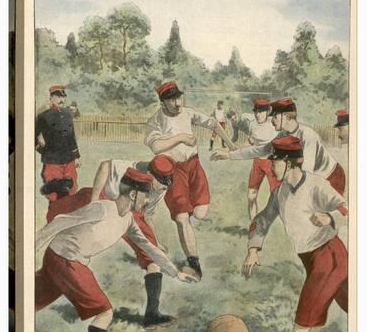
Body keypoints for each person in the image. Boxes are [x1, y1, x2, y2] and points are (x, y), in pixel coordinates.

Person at [35, 168, 197, 332]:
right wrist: (30, 247)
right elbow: (62, 220)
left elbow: (148, 248)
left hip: (62, 259)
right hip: (66, 261)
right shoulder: (103, 208)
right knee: (105, 312)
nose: (149, 200)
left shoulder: (128, 220)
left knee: (29, 300)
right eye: (146, 195)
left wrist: (175, 272)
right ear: (133, 195)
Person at [242, 135, 348, 332]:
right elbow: (262, 220)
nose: (270, 165)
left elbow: (350, 209)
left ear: (289, 163)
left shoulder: (316, 185)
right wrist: (254, 249)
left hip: (330, 258)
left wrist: (331, 218)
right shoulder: (280, 193)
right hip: (312, 260)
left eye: (274, 160)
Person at [145, 81, 237, 279]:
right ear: (163, 102)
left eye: (178, 97)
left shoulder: (187, 113)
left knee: (201, 213)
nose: (177, 103)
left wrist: (230, 144)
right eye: (171, 99)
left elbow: (212, 123)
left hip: (194, 167)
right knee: (182, 218)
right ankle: (194, 263)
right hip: (174, 170)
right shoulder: (156, 120)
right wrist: (180, 138)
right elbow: (156, 147)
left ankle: (188, 217)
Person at [211, 97, 346, 196]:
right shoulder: (283, 134)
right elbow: (263, 149)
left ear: (285, 117)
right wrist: (229, 155)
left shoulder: (307, 135)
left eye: (275, 116)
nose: (272, 120)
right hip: (313, 180)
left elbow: (307, 172)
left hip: (330, 178)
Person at [228, 98, 279, 219]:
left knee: (277, 196)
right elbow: (251, 141)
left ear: (268, 111)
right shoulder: (251, 123)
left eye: (261, 111)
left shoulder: (275, 123)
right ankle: (253, 224)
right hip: (258, 163)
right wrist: (239, 147)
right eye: (256, 111)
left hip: (272, 162)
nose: (257, 114)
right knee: (251, 196)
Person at [35, 84, 81, 209]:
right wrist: (42, 149)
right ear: (51, 98)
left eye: (63, 97)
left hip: (69, 159)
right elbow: (32, 138)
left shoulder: (68, 115)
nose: (61, 99)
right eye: (58, 97)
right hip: (52, 160)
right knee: (55, 194)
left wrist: (76, 156)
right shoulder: (43, 116)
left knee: (71, 190)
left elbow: (72, 137)